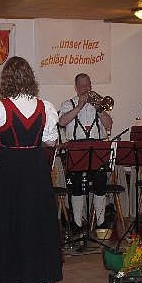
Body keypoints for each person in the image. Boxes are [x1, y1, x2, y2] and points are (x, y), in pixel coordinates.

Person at [0, 56, 61, 283]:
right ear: (30, 78)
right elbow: (51, 141)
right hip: (35, 166)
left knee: (10, 222)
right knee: (39, 221)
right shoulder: (46, 106)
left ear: (6, 79)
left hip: (10, 167)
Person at [58, 73, 113, 232]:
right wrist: (79, 106)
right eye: (82, 86)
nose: (85, 88)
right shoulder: (68, 104)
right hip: (76, 148)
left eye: (88, 85)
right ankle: (77, 224)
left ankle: (101, 223)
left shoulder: (99, 104)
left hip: (97, 148)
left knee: (100, 186)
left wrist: (100, 110)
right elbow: (62, 122)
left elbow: (109, 125)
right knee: (76, 187)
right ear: (76, 88)